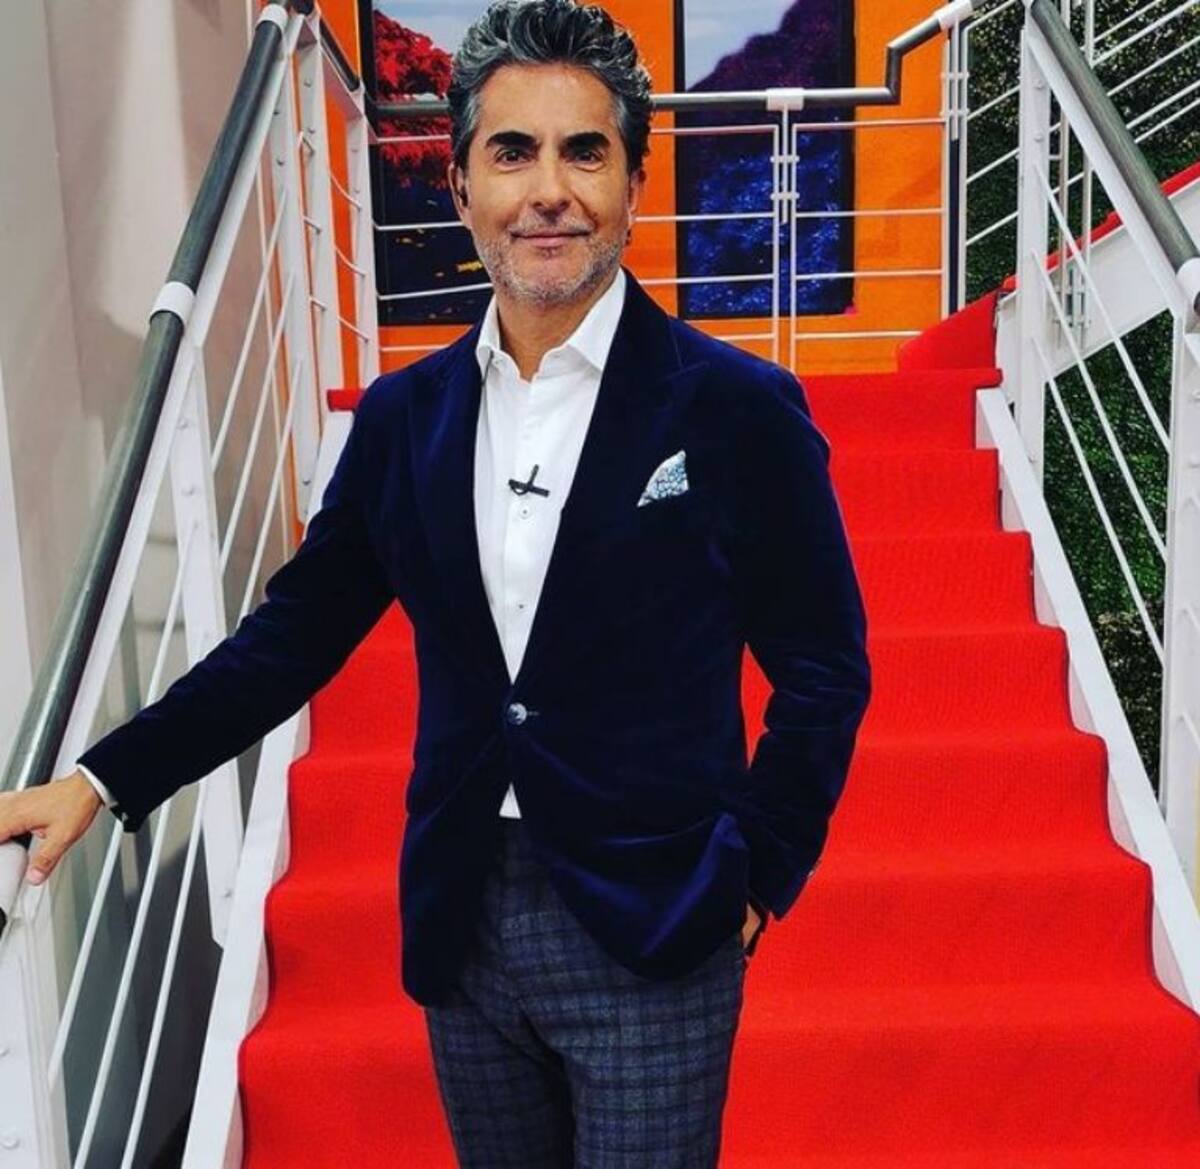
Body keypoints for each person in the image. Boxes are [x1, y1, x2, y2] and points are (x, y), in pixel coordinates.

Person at [0, 1, 871, 1164]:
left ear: (633, 183)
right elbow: (293, 635)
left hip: (656, 920)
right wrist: (105, 778)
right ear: (461, 186)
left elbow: (824, 668)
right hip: (465, 919)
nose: (548, 189)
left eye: (584, 152)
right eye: (512, 152)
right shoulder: (406, 418)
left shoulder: (736, 409)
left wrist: (757, 873)